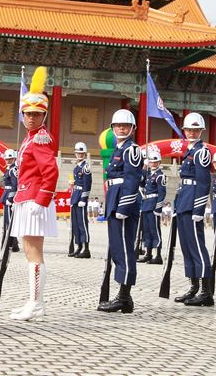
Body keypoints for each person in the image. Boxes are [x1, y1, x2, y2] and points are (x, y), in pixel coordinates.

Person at [7, 66, 59, 321]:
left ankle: (37, 303)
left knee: (34, 251)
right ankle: (32, 300)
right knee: (29, 250)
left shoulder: (40, 139)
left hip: (35, 199)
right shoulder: (31, 137)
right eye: (27, 114)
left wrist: (42, 200)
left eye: (36, 114)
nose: (30, 118)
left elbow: (51, 171)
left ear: (44, 115)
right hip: (28, 197)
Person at [97, 108, 143, 314]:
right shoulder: (118, 149)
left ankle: (124, 296)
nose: (121, 128)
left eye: (125, 125)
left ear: (133, 128)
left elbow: (132, 180)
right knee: (118, 248)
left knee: (124, 249)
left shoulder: (131, 150)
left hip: (124, 202)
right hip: (114, 200)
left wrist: (125, 205)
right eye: (117, 125)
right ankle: (125, 297)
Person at [172, 113, 213, 307]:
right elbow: (183, 183)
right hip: (184, 202)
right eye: (189, 129)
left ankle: (206, 291)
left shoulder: (201, 152)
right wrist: (176, 205)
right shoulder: (189, 151)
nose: (192, 132)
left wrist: (199, 208)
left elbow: (204, 183)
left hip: (193, 204)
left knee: (197, 247)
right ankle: (194, 286)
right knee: (187, 247)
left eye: (196, 130)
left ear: (201, 131)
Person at [139, 147, 165, 265]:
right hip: (146, 205)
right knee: (147, 230)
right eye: (151, 161)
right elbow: (141, 182)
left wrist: (158, 208)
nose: (153, 164)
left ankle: (157, 254)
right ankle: (148, 253)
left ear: (159, 162)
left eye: (155, 161)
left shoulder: (160, 176)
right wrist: (144, 168)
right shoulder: (149, 175)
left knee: (155, 231)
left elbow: (162, 193)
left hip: (154, 204)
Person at [69, 142, 92, 259]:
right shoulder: (76, 168)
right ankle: (79, 247)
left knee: (82, 224)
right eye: (78, 153)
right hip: (75, 196)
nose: (79, 155)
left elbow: (87, 184)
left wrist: (84, 198)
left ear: (85, 154)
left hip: (81, 197)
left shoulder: (85, 168)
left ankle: (86, 248)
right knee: (76, 224)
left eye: (82, 153)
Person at [0, 149, 20, 252]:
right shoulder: (8, 169)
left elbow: (15, 185)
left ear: (14, 159)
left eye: (10, 159)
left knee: (9, 222)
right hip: (6, 194)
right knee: (7, 223)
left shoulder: (13, 170)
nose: (8, 161)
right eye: (7, 159)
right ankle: (11, 244)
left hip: (9, 196)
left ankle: (11, 244)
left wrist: (10, 198)